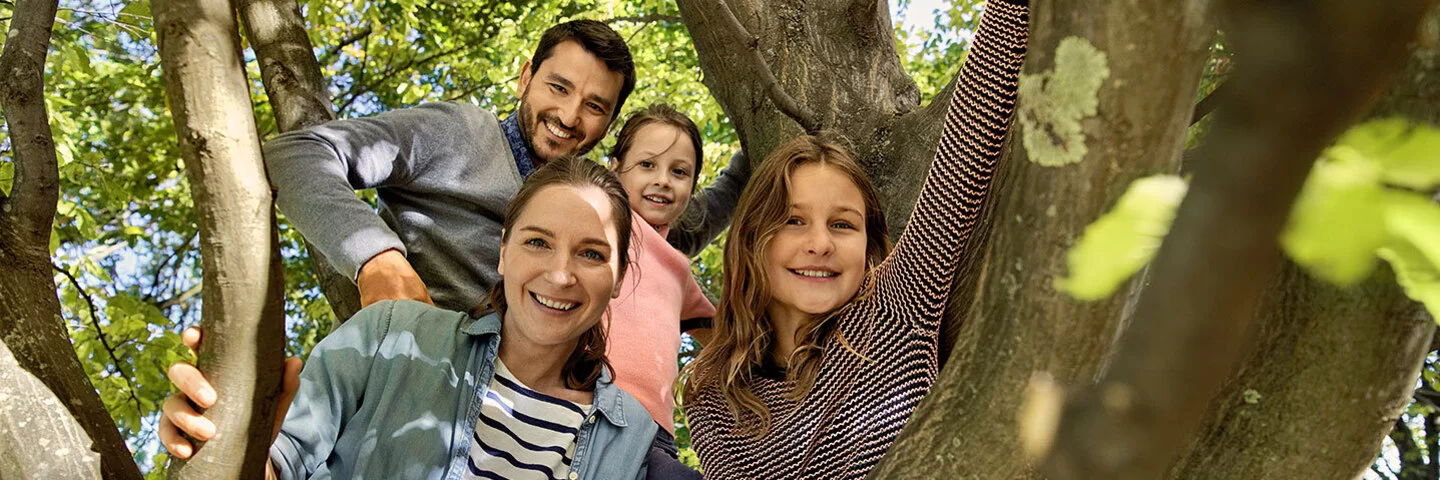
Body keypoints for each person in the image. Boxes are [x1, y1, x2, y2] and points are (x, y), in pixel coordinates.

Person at [680, 0, 1030, 477]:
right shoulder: (712, 396)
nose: (820, 243)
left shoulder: (896, 305)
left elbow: (967, 143)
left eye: (843, 224)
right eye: (793, 221)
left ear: (869, 246)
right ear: (752, 241)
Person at [160, 157, 658, 479]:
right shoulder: (389, 336)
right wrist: (226, 437)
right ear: (503, 252)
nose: (561, 274)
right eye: (537, 242)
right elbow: (273, 465)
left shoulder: (630, 435)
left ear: (618, 279)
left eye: (591, 254)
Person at [262, 19, 747, 314]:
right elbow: (293, 155)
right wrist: (377, 261)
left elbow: (677, 228)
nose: (569, 116)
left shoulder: (591, 198)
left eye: (594, 106)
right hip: (411, 373)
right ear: (525, 78)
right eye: (558, 88)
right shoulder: (456, 131)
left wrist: (761, 156)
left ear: (609, 123)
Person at [603, 103, 720, 479]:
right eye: (647, 165)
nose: (663, 180)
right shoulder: (602, 222)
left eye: (679, 172)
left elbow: (723, 335)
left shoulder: (678, 269)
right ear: (615, 167)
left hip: (655, 433)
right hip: (591, 406)